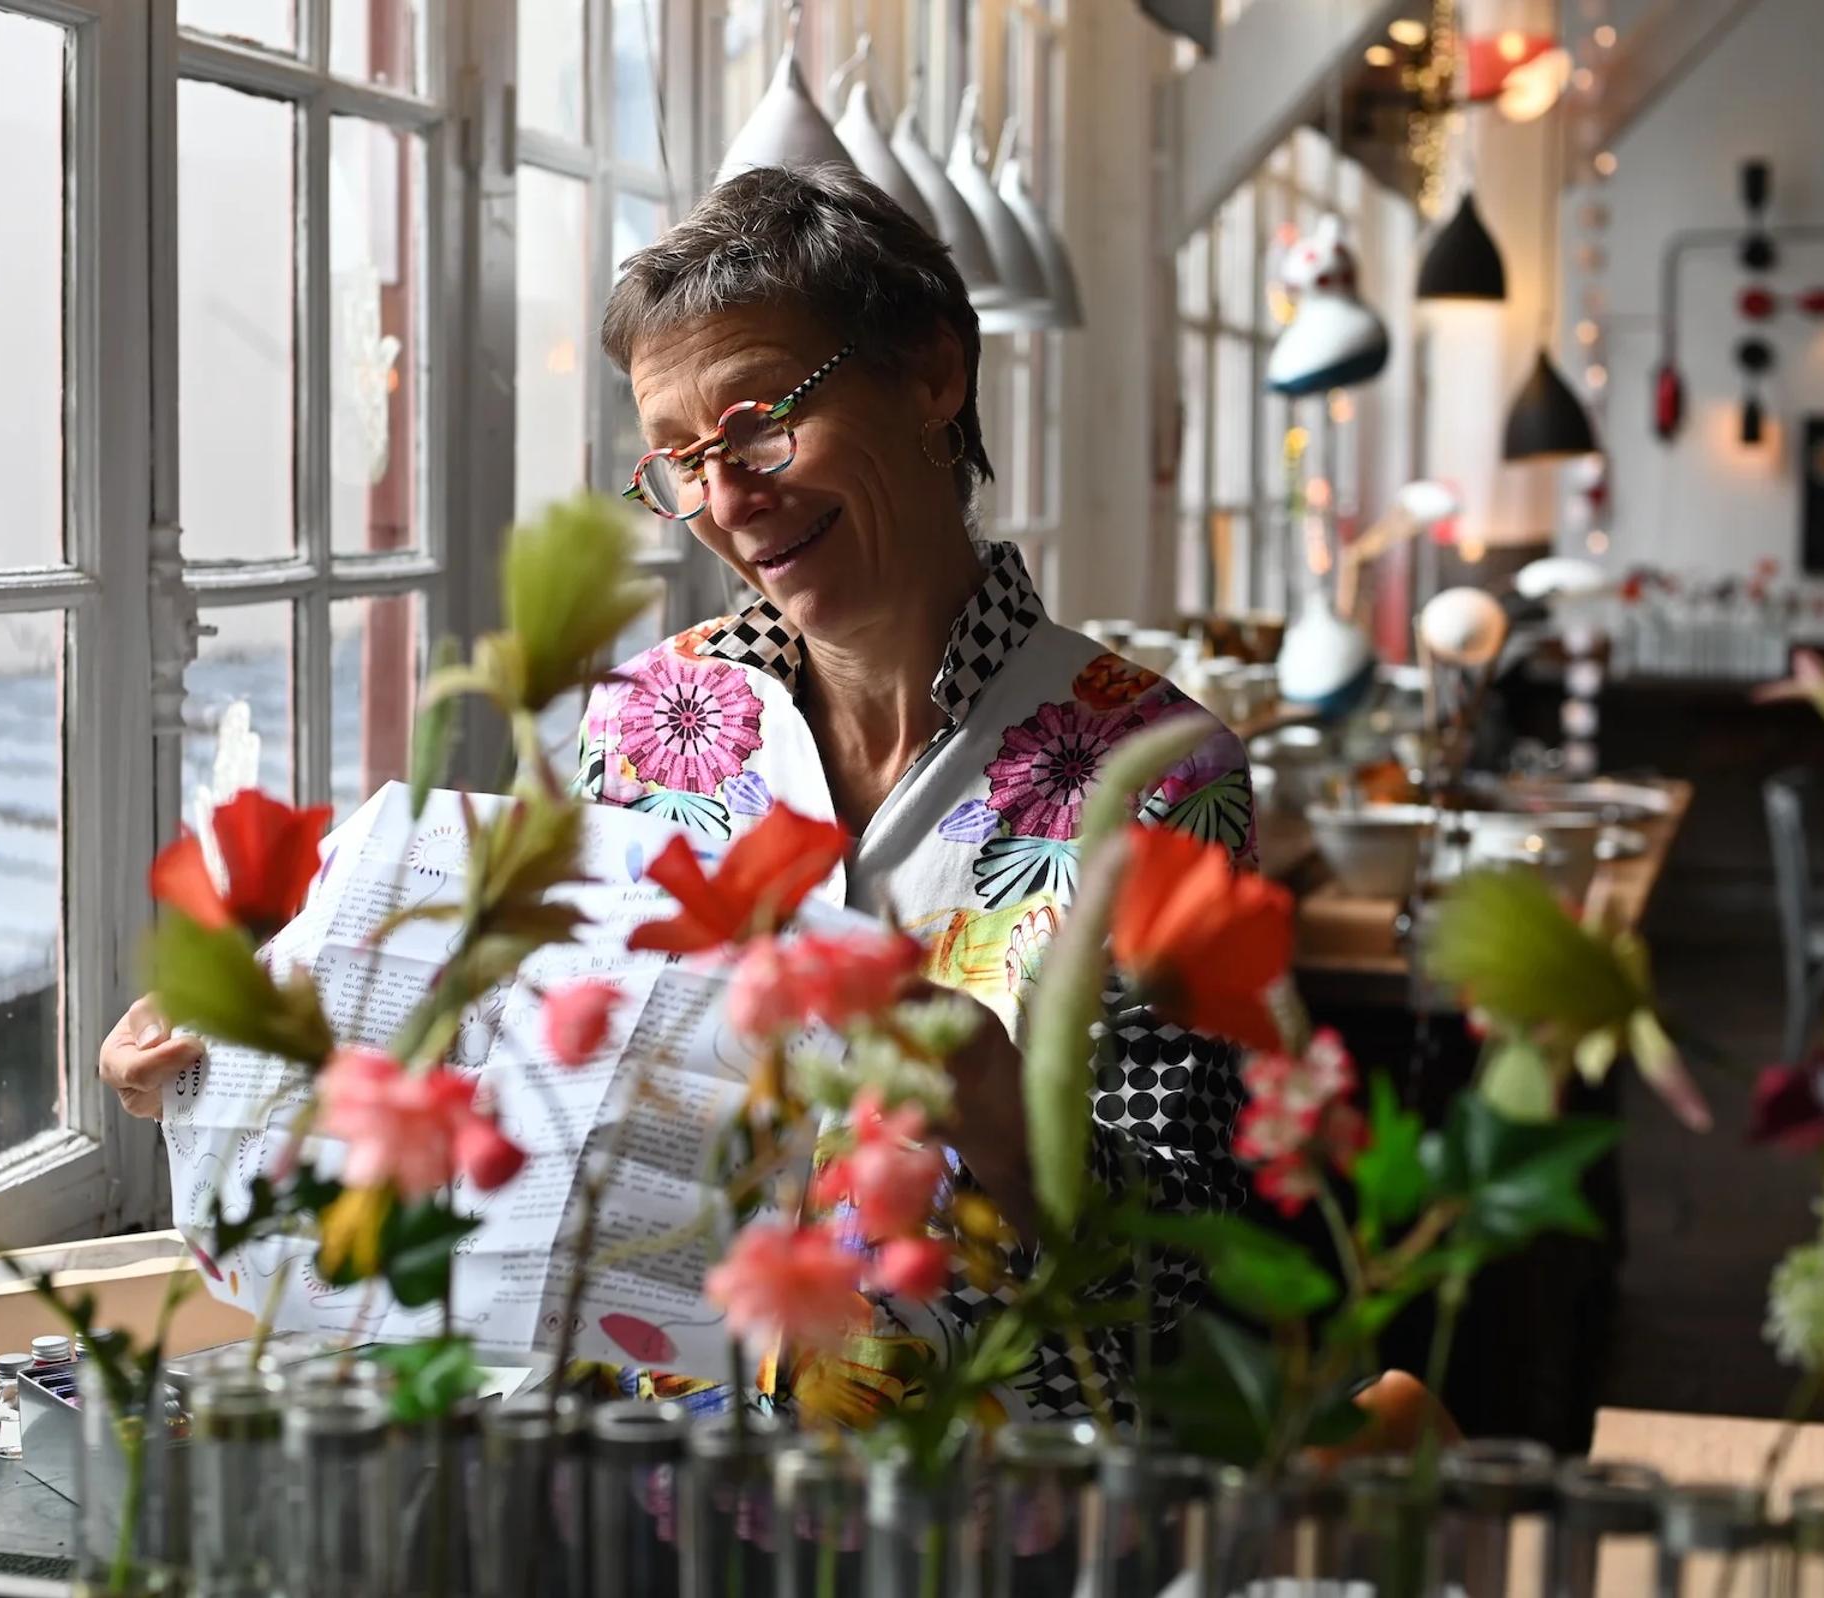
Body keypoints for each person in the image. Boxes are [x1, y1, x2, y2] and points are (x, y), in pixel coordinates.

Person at [104, 164, 1261, 1421]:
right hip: (642, 1474)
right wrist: (239, 1047)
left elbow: (1183, 1292)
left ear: (934, 373)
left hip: (968, 1494)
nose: (727, 498)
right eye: (680, 460)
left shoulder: (1155, 775)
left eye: (760, 422)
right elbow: (515, 1076)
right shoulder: (651, 723)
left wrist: (990, 1097)